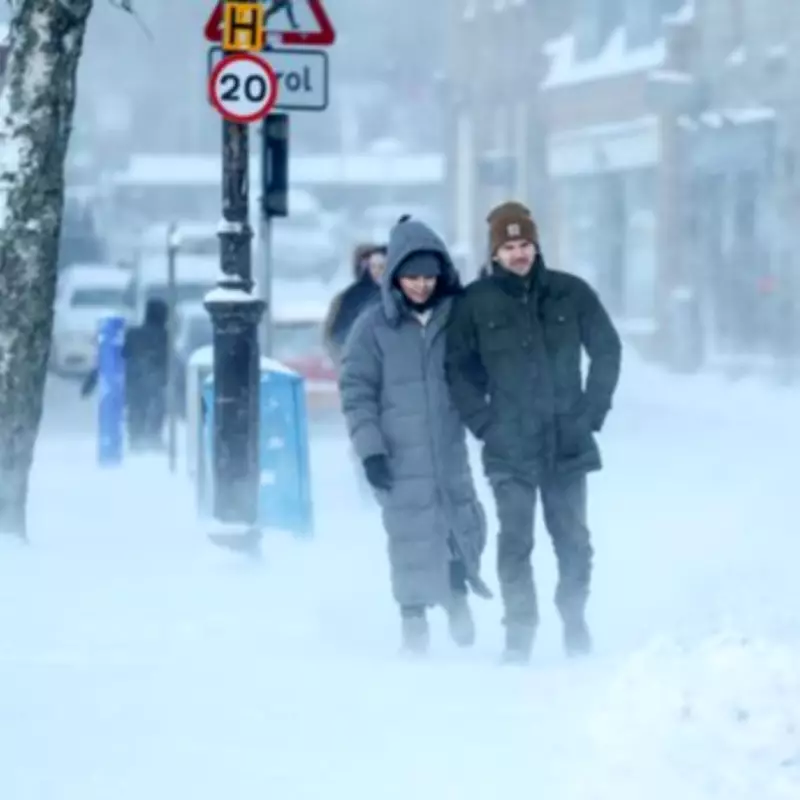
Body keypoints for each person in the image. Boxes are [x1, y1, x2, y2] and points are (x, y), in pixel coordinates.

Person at [445, 201, 622, 664]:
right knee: (515, 541)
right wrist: (484, 424)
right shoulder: (474, 302)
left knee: (574, 543)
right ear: (496, 252)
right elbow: (457, 370)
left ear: (536, 245)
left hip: (567, 441)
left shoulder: (571, 293)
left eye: (525, 244)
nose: (519, 253)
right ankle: (519, 632)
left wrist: (591, 412)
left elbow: (606, 348)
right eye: (509, 246)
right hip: (509, 446)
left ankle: (574, 615)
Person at [338, 215, 492, 655]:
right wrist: (370, 452)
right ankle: (413, 623)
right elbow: (356, 393)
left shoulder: (457, 319)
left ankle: (458, 596)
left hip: (448, 450)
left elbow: (481, 373)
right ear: (396, 278)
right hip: (398, 456)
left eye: (428, 277)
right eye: (412, 277)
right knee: (408, 538)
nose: (421, 286)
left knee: (460, 525)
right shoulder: (373, 329)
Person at [81, 297, 170, 451]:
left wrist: (90, 382)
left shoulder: (133, 334)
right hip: (155, 382)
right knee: (157, 409)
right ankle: (153, 438)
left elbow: (111, 358)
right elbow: (171, 361)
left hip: (133, 381)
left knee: (137, 410)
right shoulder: (164, 336)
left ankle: (136, 439)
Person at [323, 243, 387, 366]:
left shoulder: (402, 295)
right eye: (372, 266)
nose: (377, 271)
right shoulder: (347, 298)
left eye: (381, 266)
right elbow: (334, 338)